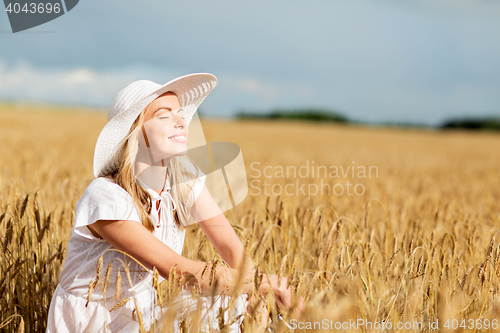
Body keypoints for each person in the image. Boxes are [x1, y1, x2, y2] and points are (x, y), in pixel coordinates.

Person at [46, 73, 303, 333]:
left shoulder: (183, 184)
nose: (181, 121)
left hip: (142, 314)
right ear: (135, 132)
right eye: (164, 115)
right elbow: (181, 273)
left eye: (180, 114)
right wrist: (265, 283)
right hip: (97, 323)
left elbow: (230, 246)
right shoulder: (106, 196)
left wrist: (255, 296)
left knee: (235, 306)